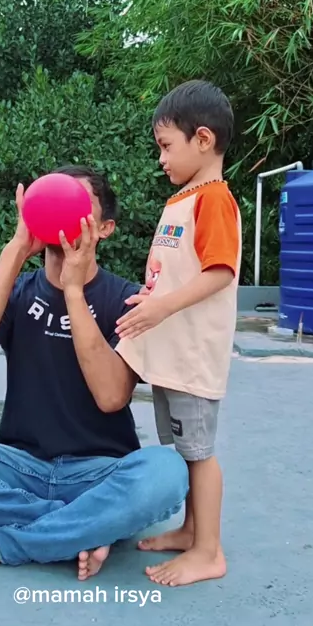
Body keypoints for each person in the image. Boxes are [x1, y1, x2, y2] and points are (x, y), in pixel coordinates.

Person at [0, 165, 188, 579]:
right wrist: (17, 247)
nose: (64, 212)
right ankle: (80, 528)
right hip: (19, 469)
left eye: (78, 205)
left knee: (166, 474)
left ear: (105, 228)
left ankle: (2, 543)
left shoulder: (127, 300)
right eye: (56, 200)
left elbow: (111, 396)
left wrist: (74, 291)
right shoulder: (17, 291)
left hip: (100, 474)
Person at [115, 80, 241, 587]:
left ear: (203, 139)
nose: (161, 158)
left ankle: (209, 551)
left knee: (200, 455)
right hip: (172, 354)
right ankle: (192, 530)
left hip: (192, 356)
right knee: (185, 449)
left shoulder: (213, 200)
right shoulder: (184, 200)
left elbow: (220, 272)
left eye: (167, 146)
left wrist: (162, 307)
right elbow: (175, 272)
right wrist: (151, 298)